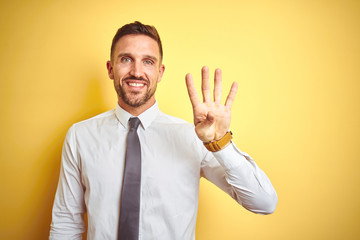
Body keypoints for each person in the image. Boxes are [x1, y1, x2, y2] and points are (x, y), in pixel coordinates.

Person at [49, 21, 277, 240]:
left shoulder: (194, 138)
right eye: (126, 59)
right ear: (110, 68)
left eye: (148, 61)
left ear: (160, 72)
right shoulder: (80, 136)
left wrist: (220, 142)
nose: (136, 72)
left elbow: (264, 203)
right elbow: (66, 222)